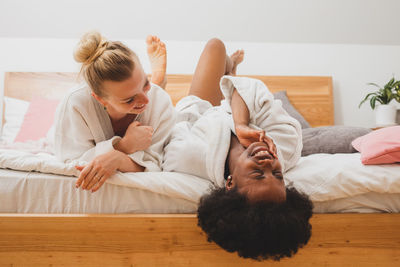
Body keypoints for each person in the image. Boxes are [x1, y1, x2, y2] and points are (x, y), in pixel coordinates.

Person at [161, 38, 313, 260]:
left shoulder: (189, 158)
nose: (269, 163)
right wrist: (241, 123)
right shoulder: (286, 144)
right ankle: (230, 72)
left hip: (202, 110)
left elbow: (178, 122)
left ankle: (228, 74)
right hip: (241, 108)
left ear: (230, 183)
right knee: (226, 64)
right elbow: (253, 88)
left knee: (215, 47)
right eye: (278, 174)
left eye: (258, 173)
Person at [54, 32, 176, 192]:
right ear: (100, 99)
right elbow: (73, 163)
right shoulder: (76, 104)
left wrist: (118, 159)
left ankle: (157, 81)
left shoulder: (159, 101)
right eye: (129, 99)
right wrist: (123, 146)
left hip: (160, 100)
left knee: (158, 96)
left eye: (145, 83)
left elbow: (156, 166)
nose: (146, 100)